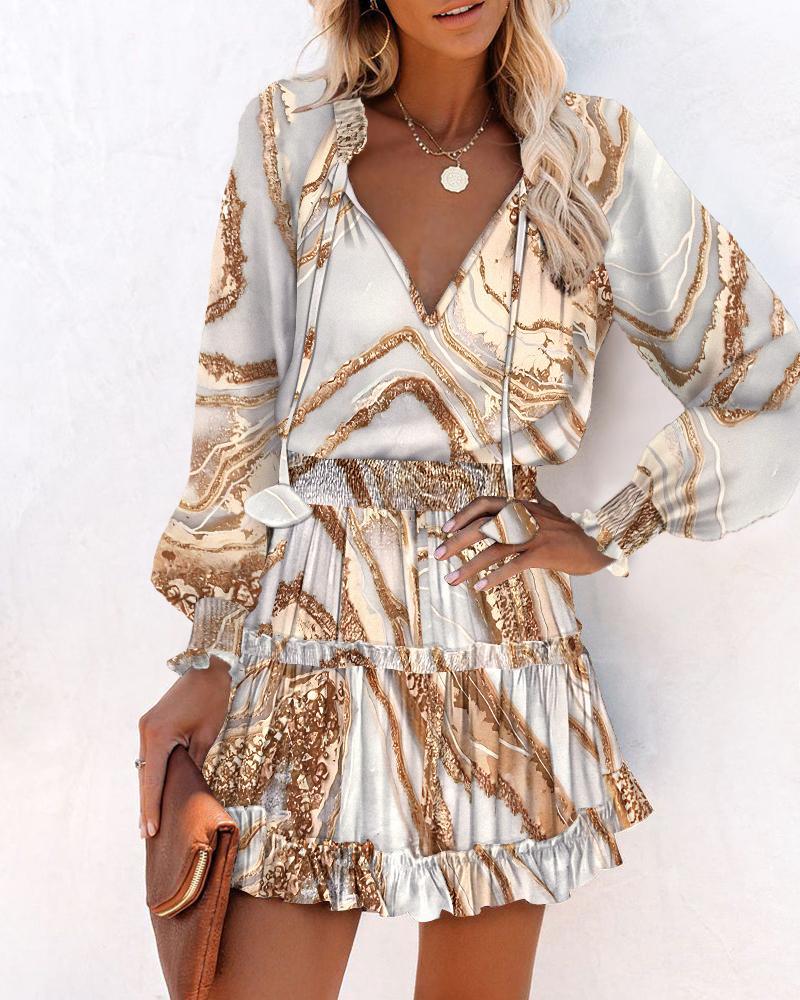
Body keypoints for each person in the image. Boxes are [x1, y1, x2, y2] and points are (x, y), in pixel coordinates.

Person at [138, 1, 800, 997]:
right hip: (310, 630)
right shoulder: (291, 135)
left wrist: (614, 525)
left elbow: (772, 385)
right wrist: (207, 653)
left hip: (499, 641)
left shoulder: (594, 157)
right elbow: (238, 406)